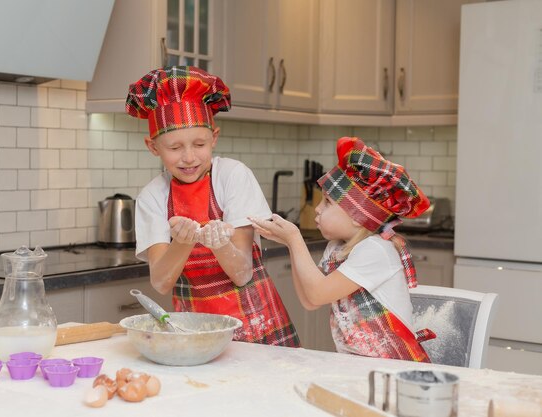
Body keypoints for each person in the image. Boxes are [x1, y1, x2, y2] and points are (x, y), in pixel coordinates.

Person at [125, 66, 300, 347]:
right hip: (194, 332)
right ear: (153, 146)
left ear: (214, 138)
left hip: (256, 327)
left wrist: (219, 243)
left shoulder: (233, 176)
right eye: (174, 148)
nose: (189, 157)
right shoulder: (152, 197)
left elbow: (242, 273)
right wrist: (182, 243)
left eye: (199, 144)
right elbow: (160, 282)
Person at [251, 137, 435, 362]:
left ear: (358, 217)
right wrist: (291, 244)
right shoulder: (336, 249)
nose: (317, 209)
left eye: (327, 202)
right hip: (359, 365)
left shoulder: (376, 250)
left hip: (395, 369)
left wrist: (295, 238)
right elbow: (311, 300)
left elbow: (317, 293)